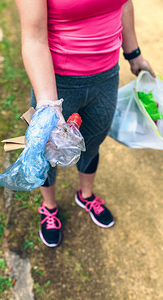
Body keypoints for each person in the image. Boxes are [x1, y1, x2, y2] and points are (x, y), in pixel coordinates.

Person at [15, 0, 155, 247]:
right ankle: (49, 207)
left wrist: (134, 55)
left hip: (106, 77)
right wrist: (48, 105)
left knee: (93, 142)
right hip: (57, 82)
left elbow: (124, 4)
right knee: (47, 151)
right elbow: (34, 40)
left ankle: (86, 195)